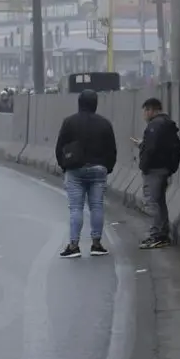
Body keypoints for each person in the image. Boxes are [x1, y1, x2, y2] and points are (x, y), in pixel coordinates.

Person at [54, 89, 117, 259]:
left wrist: (64, 165)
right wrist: (107, 168)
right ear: (95, 104)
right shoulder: (105, 123)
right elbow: (112, 149)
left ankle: (74, 246)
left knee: (76, 208)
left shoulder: (69, 122)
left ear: (79, 103)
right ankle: (96, 244)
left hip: (75, 170)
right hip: (99, 170)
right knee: (97, 206)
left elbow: (59, 147)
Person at [136, 97, 180, 250]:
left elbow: (151, 149)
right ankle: (161, 234)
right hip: (164, 169)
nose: (144, 114)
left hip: (154, 170)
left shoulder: (154, 126)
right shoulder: (167, 124)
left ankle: (157, 235)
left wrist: (143, 165)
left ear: (151, 110)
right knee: (159, 202)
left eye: (145, 111)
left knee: (153, 203)